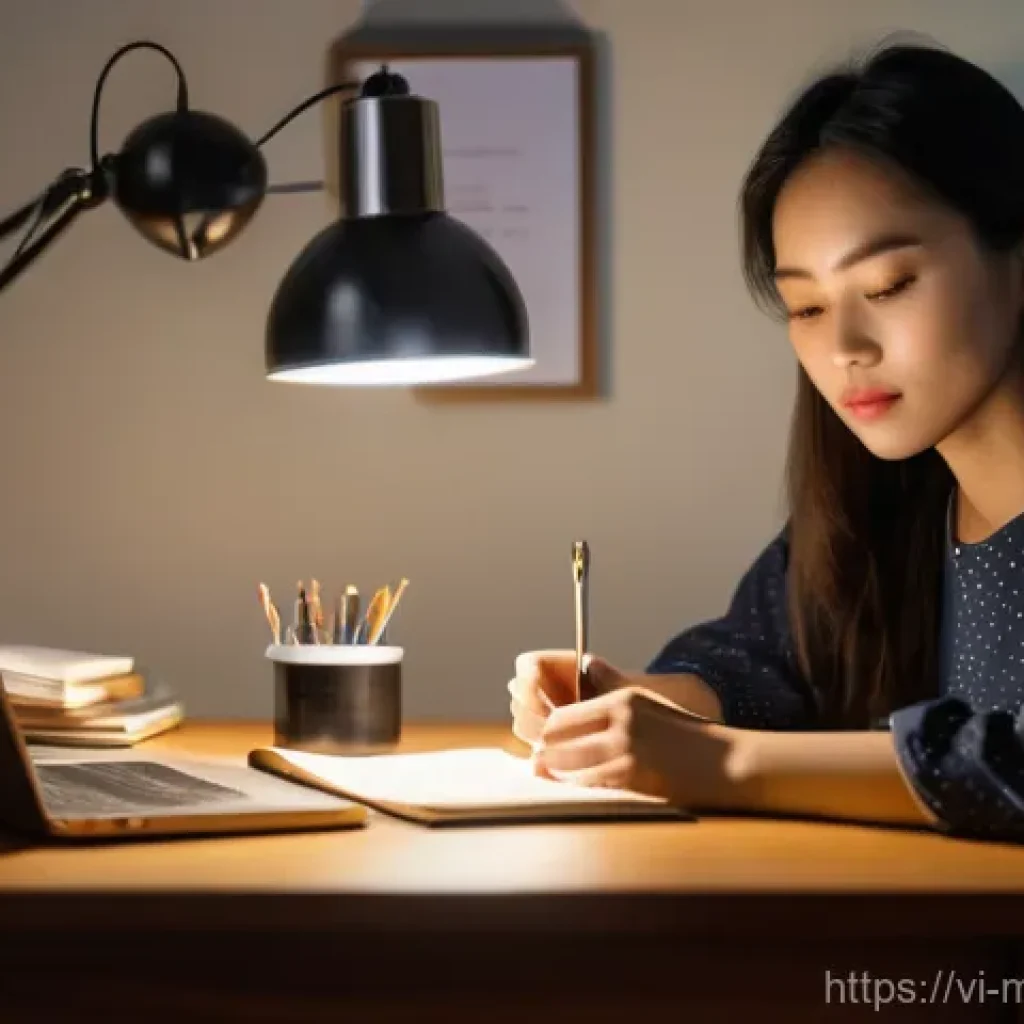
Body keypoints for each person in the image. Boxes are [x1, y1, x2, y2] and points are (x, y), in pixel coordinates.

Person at [508, 39, 1024, 842]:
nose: (845, 344)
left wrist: (722, 764)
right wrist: (643, 702)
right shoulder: (893, 505)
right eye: (807, 308)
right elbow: (767, 659)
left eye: (887, 286)